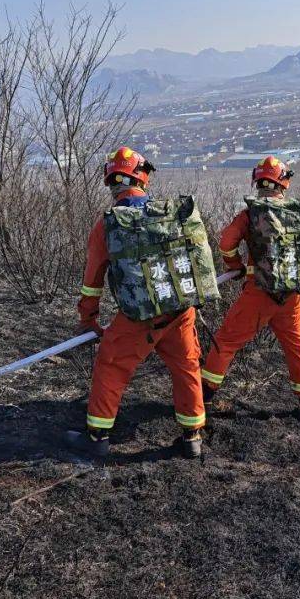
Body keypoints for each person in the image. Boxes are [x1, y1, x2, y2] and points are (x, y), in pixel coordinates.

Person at [65, 147, 211, 458]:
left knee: (111, 364)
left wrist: (88, 319)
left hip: (138, 316)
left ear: (112, 183)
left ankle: (97, 439)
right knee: (186, 366)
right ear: (143, 179)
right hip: (178, 310)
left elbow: (93, 281)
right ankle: (192, 436)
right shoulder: (166, 215)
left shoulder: (109, 225)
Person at [201, 156, 300, 423]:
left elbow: (226, 242)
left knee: (226, 342)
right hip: (291, 295)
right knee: (296, 345)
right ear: (284, 183)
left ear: (257, 182)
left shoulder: (251, 214)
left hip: (258, 294)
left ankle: (204, 395)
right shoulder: (297, 213)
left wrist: (234, 264)